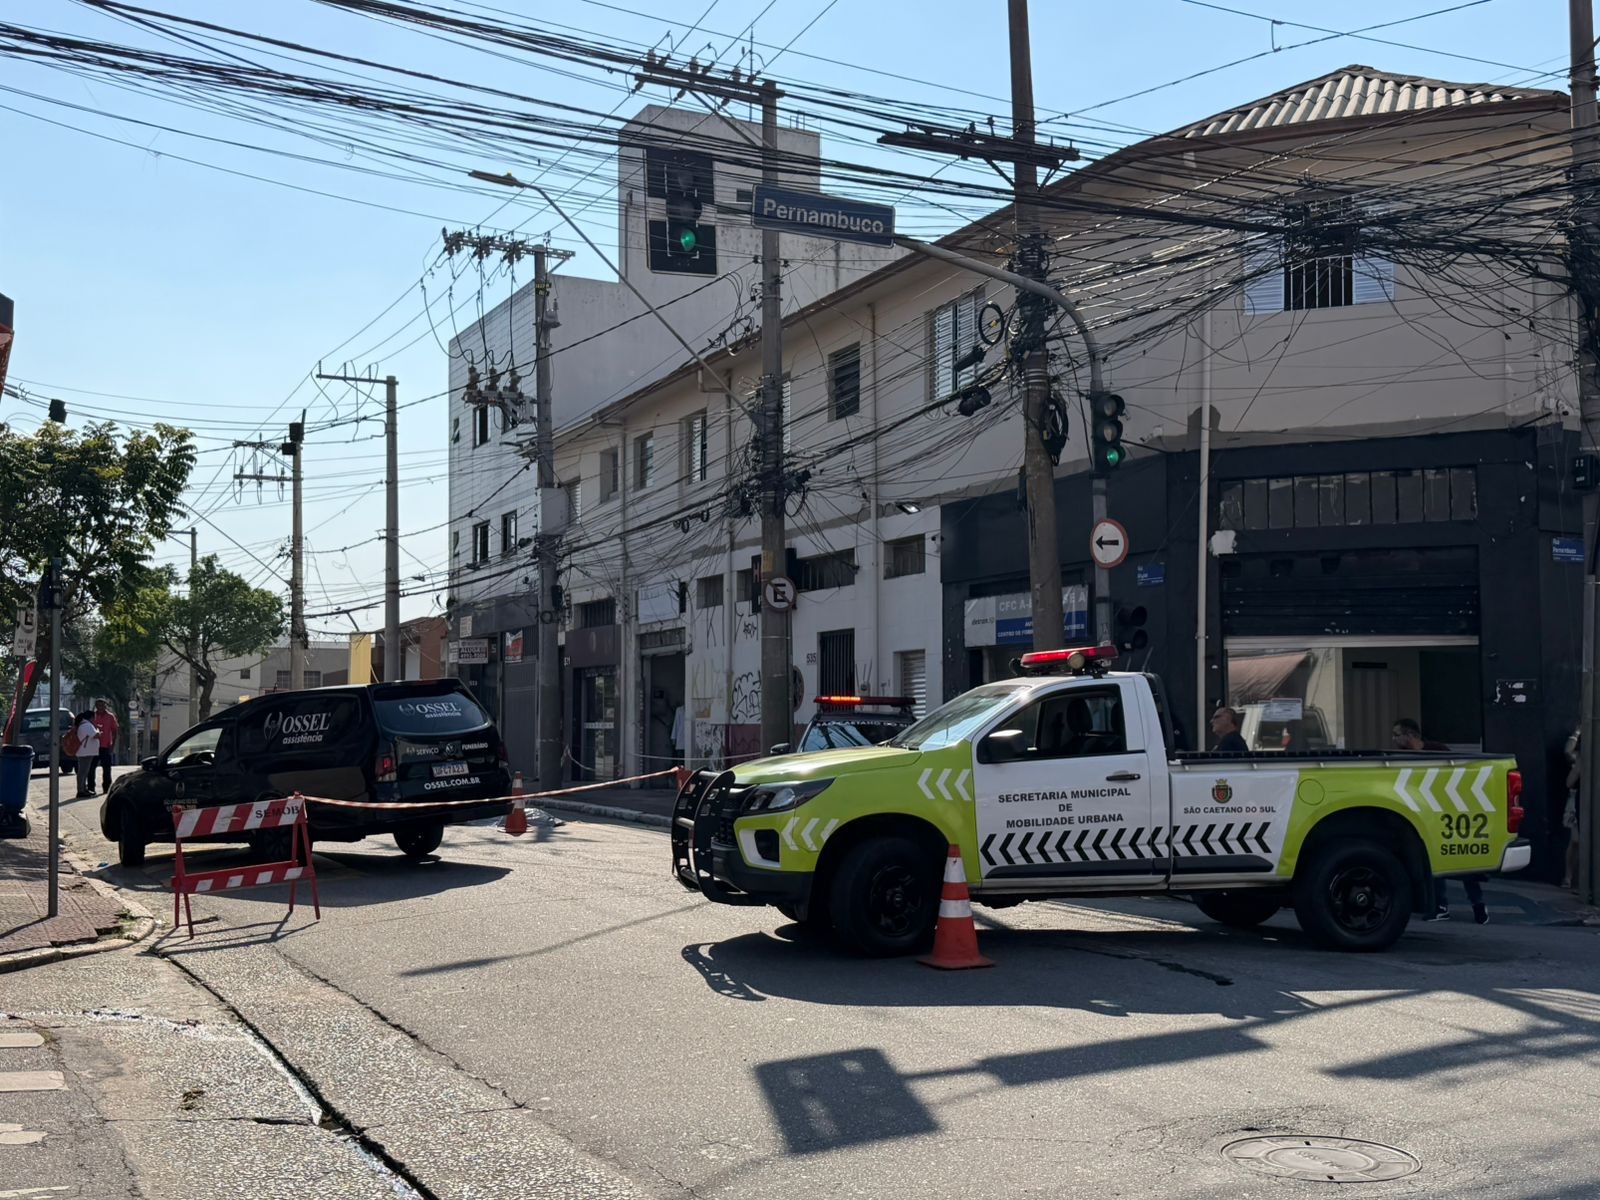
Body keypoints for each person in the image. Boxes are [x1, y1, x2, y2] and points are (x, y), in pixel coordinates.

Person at [1564, 726, 1581, 892]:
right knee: (1575, 841)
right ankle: (1569, 877)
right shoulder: (1581, 757)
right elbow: (1568, 752)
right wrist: (1577, 732)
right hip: (1577, 799)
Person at [91, 699, 119, 795]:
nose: (100, 707)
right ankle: (91, 788)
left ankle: (106, 788)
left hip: (106, 746)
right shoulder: (92, 716)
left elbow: (115, 731)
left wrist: (112, 745)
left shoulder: (110, 717)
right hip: (93, 746)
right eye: (98, 705)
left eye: (102, 705)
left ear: (105, 706)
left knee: (107, 768)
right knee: (91, 768)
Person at [72, 710, 100, 799]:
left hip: (84, 751)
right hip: (86, 752)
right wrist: (99, 732)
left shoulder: (83, 724)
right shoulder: (87, 725)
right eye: (94, 717)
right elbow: (95, 735)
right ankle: (81, 790)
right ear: (91, 717)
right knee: (83, 772)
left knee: (83, 771)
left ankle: (83, 789)